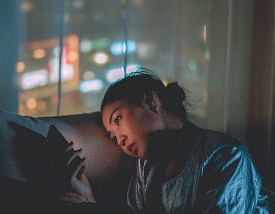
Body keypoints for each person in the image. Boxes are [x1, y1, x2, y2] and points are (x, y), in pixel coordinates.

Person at [62, 68, 269, 213]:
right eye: (113, 137)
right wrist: (89, 199)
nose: (121, 140)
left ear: (152, 101)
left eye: (118, 119)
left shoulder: (226, 156)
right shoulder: (146, 170)